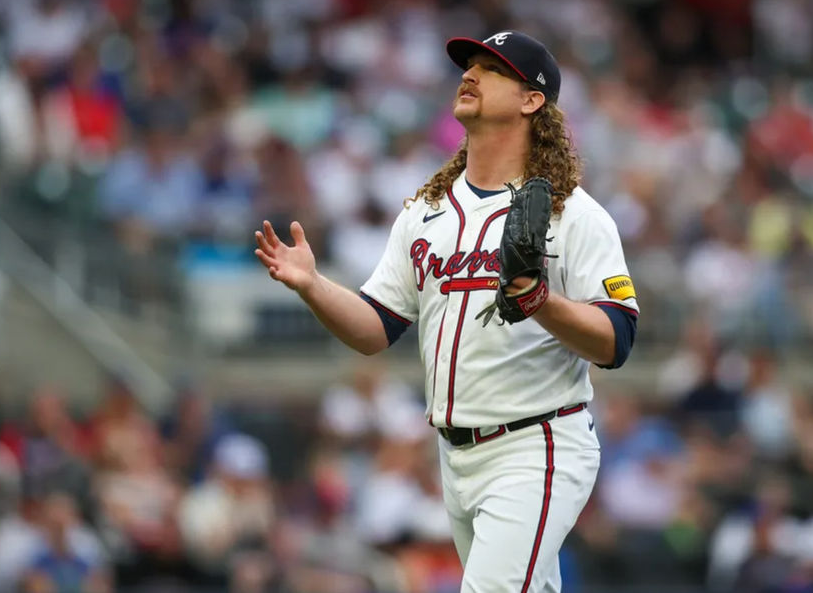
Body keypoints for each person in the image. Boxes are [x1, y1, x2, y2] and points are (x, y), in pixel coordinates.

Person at [254, 30, 639, 592]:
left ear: (533, 100)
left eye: (493, 68)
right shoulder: (426, 209)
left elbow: (618, 339)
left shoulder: (574, 213)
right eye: (471, 63)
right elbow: (375, 328)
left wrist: (541, 303)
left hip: (536, 445)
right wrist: (313, 285)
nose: (471, 73)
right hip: (454, 457)